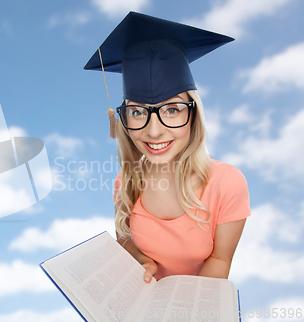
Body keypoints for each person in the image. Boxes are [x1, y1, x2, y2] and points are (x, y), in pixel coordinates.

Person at [84, 12, 251, 283]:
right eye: (138, 112)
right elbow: (124, 239)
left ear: (194, 113)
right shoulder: (126, 180)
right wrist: (139, 260)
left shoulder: (227, 183)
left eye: (171, 109)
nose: (153, 130)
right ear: (124, 118)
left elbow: (220, 260)